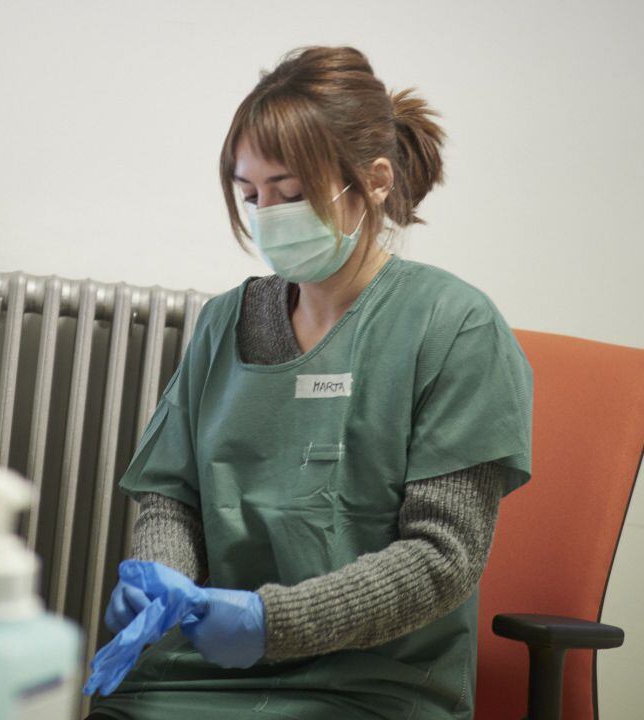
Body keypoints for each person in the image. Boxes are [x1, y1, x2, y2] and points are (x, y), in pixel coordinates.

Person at [86, 46, 533, 720]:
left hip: (376, 685)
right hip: (208, 673)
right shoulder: (227, 323)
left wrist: (276, 622)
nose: (267, 215)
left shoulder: (453, 327)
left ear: (374, 181)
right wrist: (164, 580)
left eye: (290, 192)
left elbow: (443, 558)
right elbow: (170, 498)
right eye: (251, 194)